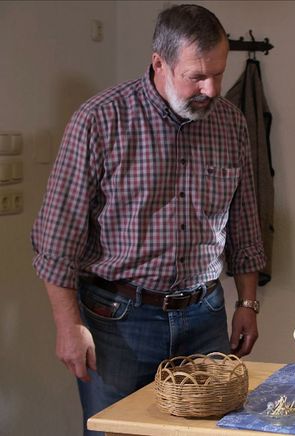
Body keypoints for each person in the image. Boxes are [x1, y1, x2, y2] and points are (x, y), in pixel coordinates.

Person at [30, 5, 265, 434]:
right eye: (197, 75)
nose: (211, 89)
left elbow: (244, 219)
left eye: (218, 72)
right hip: (117, 320)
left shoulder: (230, 122)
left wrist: (247, 302)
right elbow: (55, 238)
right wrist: (68, 326)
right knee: (116, 431)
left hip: (205, 316)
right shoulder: (99, 121)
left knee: (213, 431)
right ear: (159, 62)